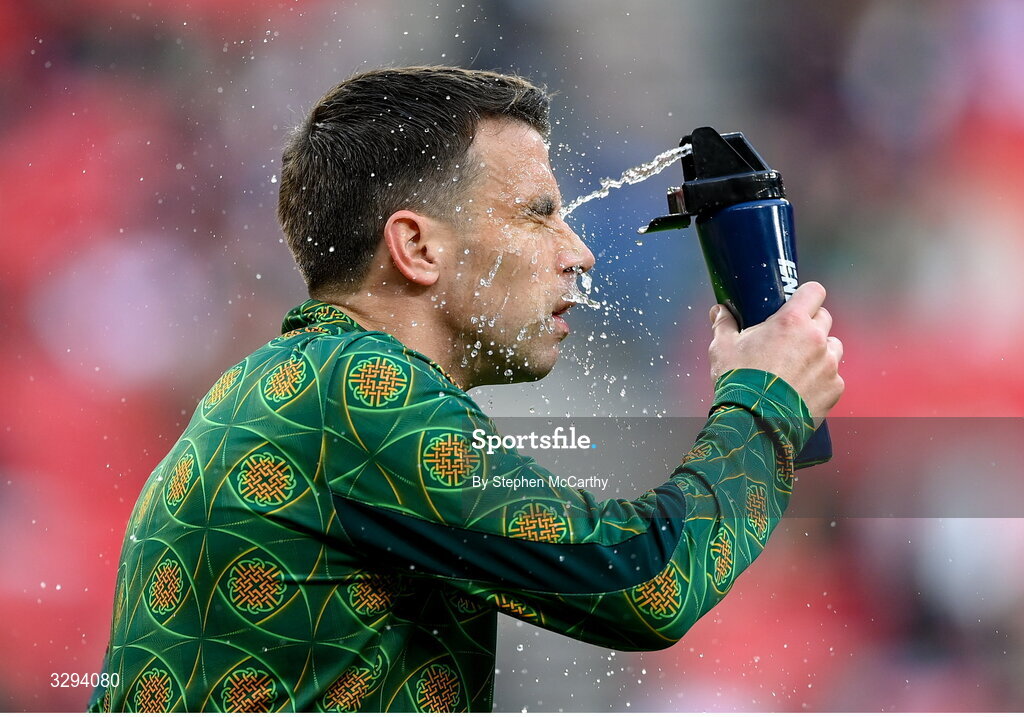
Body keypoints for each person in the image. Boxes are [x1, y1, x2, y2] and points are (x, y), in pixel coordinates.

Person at [88, 66, 843, 713]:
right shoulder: (355, 388)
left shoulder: (288, 383)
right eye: (540, 212)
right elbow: (646, 581)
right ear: (416, 247)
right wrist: (765, 401)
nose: (578, 251)